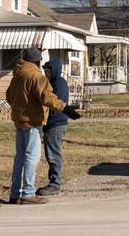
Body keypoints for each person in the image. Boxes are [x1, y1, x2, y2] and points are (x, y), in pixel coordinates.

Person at [6, 48, 79, 205]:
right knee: (31, 157)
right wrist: (65, 109)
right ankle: (27, 193)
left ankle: (15, 193)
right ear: (37, 61)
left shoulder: (17, 76)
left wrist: (21, 108)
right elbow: (48, 98)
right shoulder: (36, 76)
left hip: (19, 122)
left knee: (19, 158)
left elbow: (8, 97)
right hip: (33, 123)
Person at [38, 60, 71, 196]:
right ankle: (53, 181)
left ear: (55, 70)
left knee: (53, 154)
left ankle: (54, 183)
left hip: (56, 124)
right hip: (50, 124)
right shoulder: (50, 83)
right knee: (50, 153)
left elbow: (57, 106)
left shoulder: (60, 84)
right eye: (45, 70)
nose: (46, 73)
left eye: (48, 70)